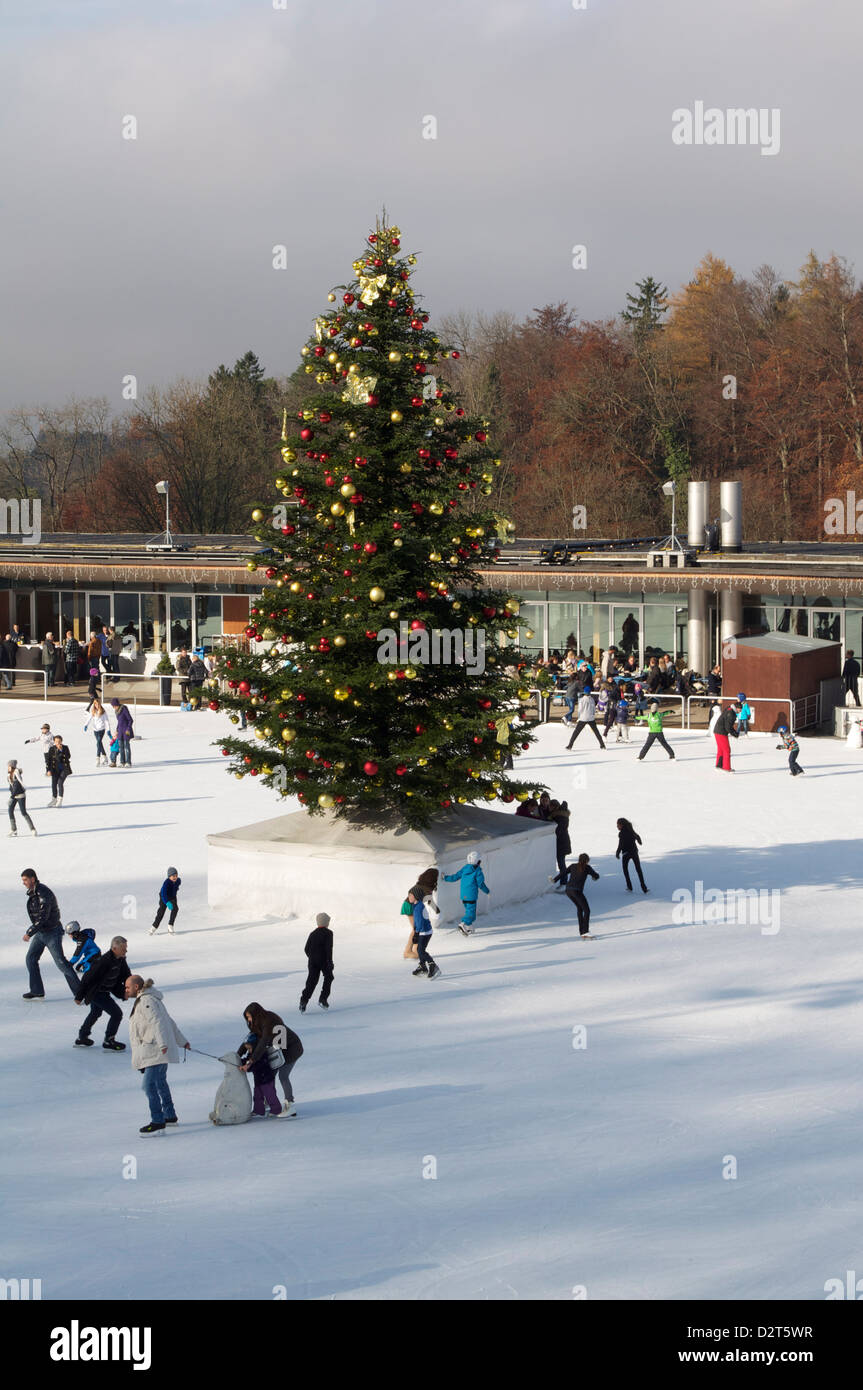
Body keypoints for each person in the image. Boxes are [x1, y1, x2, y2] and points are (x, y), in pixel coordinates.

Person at [126, 975, 190, 1133]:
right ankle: (170, 1116)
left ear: (136, 987)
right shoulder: (150, 999)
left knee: (148, 1086)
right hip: (155, 1050)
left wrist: (163, 1044)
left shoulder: (146, 1001)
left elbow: (158, 1022)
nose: (125, 990)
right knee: (160, 1083)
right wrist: (181, 1041)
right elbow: (168, 1021)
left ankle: (157, 1120)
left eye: (127, 987)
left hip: (155, 1051)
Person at [21, 868, 79, 998]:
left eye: (25, 880)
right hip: (41, 932)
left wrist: (29, 932)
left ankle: (81, 992)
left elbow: (43, 917)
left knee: (61, 963)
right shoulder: (34, 892)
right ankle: (37, 990)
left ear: (32, 879)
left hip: (52, 933)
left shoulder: (43, 893)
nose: (23, 883)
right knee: (31, 958)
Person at [238, 1003, 303, 1117]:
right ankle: (268, 1102)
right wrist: (237, 1054)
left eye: (249, 1017)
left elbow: (263, 1043)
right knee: (269, 1075)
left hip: (292, 1048)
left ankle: (290, 1105)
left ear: (256, 1014)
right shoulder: (258, 1023)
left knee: (283, 1076)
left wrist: (251, 1061)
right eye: (247, 1017)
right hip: (279, 1050)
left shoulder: (269, 1020)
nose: (248, 1020)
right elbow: (249, 1040)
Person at [74, 936, 130, 1050]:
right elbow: (87, 978)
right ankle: (109, 1040)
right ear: (114, 948)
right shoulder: (104, 961)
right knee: (117, 1014)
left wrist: (131, 987)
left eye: (126, 948)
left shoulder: (120, 959)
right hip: (96, 993)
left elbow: (126, 975)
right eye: (123, 949)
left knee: (95, 1013)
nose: (126, 951)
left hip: (105, 992)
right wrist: (79, 996)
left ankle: (82, 1037)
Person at [444, 849, 490, 935]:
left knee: (469, 912)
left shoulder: (465, 868)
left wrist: (445, 878)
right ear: (478, 861)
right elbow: (480, 884)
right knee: (471, 914)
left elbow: (455, 877)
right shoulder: (478, 871)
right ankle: (463, 924)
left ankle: (469, 927)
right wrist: (487, 891)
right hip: (471, 896)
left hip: (463, 895)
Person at [299, 911, 334, 1011]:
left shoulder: (312, 933)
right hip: (323, 960)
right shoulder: (329, 933)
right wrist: (330, 962)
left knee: (311, 981)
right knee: (329, 977)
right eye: (328, 921)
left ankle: (303, 1001)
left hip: (312, 961)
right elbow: (329, 948)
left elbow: (306, 948)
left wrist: (312, 957)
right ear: (326, 922)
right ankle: (323, 999)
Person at [562, 853, 600, 938]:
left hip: (568, 891)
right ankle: (585, 931)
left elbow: (563, 873)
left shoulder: (572, 866)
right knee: (587, 910)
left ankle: (582, 932)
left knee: (580, 908)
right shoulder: (587, 868)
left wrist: (554, 879)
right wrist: (595, 877)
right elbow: (596, 875)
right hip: (577, 891)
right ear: (587, 860)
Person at [411, 886, 441, 978]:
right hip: (422, 931)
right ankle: (423, 967)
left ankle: (433, 965)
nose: (409, 897)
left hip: (426, 932)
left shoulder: (419, 907)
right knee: (419, 950)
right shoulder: (416, 906)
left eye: (410, 895)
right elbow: (416, 921)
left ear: (416, 896)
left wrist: (416, 933)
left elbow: (420, 922)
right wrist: (415, 931)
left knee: (421, 950)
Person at [616, 818, 648, 893]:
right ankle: (644, 888)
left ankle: (629, 886)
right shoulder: (631, 830)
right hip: (634, 852)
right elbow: (637, 836)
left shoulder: (621, 833)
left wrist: (617, 852)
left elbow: (620, 844)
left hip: (626, 853)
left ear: (622, 825)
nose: (617, 826)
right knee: (638, 870)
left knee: (625, 870)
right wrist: (640, 842)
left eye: (618, 825)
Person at [8, 759, 37, 837]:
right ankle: (14, 829)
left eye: (9, 766)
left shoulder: (16, 774)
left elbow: (16, 787)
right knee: (10, 810)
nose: (8, 767)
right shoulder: (9, 775)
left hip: (20, 795)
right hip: (14, 795)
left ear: (12, 766)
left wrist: (11, 797)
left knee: (23, 812)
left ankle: (33, 829)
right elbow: (12, 787)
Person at [150, 867, 181, 935]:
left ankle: (170, 925)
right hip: (164, 897)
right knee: (161, 912)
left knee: (175, 909)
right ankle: (154, 927)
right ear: (169, 876)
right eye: (173, 876)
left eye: (176, 875)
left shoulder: (178, 880)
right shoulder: (166, 883)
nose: (175, 877)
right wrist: (167, 902)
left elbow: (177, 886)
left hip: (172, 897)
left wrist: (175, 889)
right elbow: (163, 894)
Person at [548, 800, 572, 890]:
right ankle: (563, 882)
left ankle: (564, 883)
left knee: (561, 864)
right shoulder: (560, 815)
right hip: (562, 842)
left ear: (554, 807)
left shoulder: (559, 816)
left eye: (550, 806)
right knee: (561, 863)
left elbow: (558, 831)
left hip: (561, 843)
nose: (549, 808)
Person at [84, 697, 112, 766]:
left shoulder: (103, 711)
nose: (96, 705)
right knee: (99, 743)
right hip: (95, 730)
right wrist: (86, 725)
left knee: (98, 742)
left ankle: (98, 758)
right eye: (95, 704)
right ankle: (105, 757)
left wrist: (108, 730)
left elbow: (107, 721)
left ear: (99, 704)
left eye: (97, 704)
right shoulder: (93, 711)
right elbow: (89, 718)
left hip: (102, 730)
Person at [46, 734, 72, 806]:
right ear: (54, 741)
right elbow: (49, 761)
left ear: (61, 741)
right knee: (54, 784)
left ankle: (60, 800)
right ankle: (54, 800)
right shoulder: (52, 749)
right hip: (54, 769)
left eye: (59, 741)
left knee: (60, 783)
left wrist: (61, 751)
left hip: (64, 769)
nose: (58, 743)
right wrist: (48, 770)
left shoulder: (65, 748)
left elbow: (68, 756)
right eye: (56, 741)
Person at [713, 703, 739, 771]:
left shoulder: (729, 709)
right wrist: (734, 733)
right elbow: (728, 727)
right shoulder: (731, 713)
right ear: (737, 708)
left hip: (718, 731)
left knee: (721, 749)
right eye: (740, 709)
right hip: (721, 732)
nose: (740, 711)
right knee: (726, 750)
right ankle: (726, 767)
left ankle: (719, 765)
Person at [109, 698, 134, 766]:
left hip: (126, 731)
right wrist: (117, 730)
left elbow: (130, 720)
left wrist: (128, 729)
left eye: (114, 706)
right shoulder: (116, 711)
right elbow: (119, 722)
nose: (113, 707)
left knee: (126, 747)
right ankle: (122, 762)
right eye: (112, 706)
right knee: (121, 748)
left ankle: (128, 762)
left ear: (117, 704)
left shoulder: (124, 709)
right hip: (120, 731)